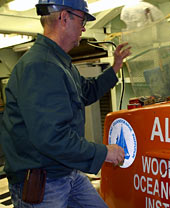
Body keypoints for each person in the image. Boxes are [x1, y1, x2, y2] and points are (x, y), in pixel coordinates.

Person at [0, 0, 131, 207]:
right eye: (82, 20)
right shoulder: (40, 66)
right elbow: (52, 137)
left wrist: (114, 67)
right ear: (63, 17)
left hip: (66, 172)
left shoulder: (59, 62)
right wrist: (104, 152)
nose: (84, 27)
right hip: (44, 182)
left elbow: (86, 92)